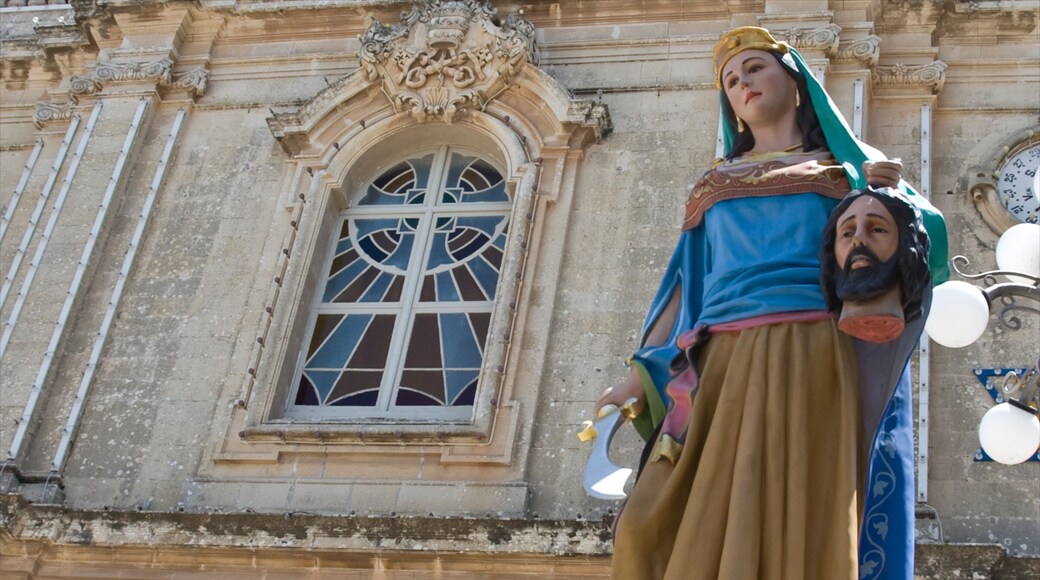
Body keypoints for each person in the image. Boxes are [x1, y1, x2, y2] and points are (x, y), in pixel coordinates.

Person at [596, 27, 948, 580]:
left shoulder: (844, 173)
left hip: (813, 350)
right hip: (720, 363)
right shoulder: (712, 185)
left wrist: (892, 198)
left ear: (796, 81)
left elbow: (920, 249)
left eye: (756, 68)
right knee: (646, 525)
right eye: (731, 80)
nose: (743, 83)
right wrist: (638, 376)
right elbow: (685, 285)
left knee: (798, 512)